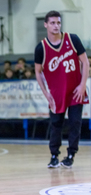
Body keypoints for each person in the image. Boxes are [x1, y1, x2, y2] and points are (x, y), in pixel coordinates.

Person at [34, 10, 89, 168]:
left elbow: (85, 62)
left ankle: (71, 155)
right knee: (56, 124)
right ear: (46, 25)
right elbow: (38, 72)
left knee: (75, 123)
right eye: (52, 23)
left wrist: (82, 84)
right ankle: (54, 156)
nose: (56, 25)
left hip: (75, 90)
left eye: (58, 22)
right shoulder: (41, 48)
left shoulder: (72, 39)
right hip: (57, 93)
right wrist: (46, 94)